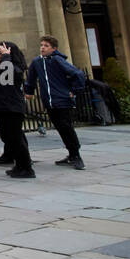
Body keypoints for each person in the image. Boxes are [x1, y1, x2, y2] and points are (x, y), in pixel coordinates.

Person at [24, 35, 89, 170]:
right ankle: (71, 155)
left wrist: (75, 91)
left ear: (54, 48)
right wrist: (29, 91)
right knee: (60, 127)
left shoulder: (58, 60)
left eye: (46, 46)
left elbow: (78, 74)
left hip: (62, 100)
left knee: (66, 127)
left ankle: (76, 155)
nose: (42, 48)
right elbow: (30, 78)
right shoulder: (37, 62)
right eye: (41, 45)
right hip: (49, 101)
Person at [0, 41, 33, 178]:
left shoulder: (13, 67)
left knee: (16, 138)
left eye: (0, 51)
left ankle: (26, 168)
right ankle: (19, 165)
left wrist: (5, 57)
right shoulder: (0, 66)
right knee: (8, 137)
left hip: (12, 107)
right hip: (2, 107)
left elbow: (7, 79)